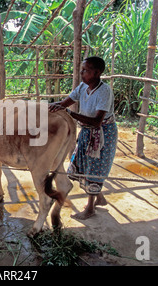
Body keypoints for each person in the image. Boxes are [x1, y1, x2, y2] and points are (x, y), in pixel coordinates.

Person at [49, 56, 117, 220]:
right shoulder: (83, 87)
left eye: (85, 70)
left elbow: (97, 121)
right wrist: (51, 107)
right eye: (82, 69)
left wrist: (71, 114)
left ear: (97, 72)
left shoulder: (104, 91)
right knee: (83, 165)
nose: (81, 73)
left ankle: (90, 208)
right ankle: (99, 197)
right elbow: (65, 103)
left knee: (94, 169)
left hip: (102, 134)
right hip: (87, 131)